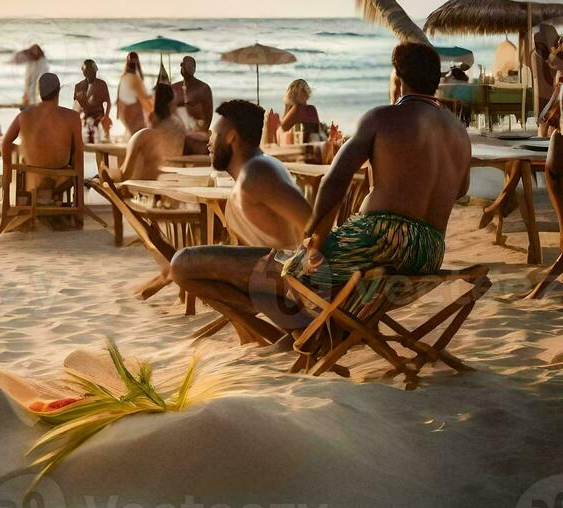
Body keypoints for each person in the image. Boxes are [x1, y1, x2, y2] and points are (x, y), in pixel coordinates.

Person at [173, 44, 470, 338]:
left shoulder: (381, 118)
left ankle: (310, 333)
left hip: (378, 245)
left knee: (201, 265)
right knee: (276, 273)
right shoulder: (458, 131)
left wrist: (314, 238)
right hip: (430, 251)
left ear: (397, 76)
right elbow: (461, 190)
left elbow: (336, 180)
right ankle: (313, 329)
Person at [164, 100, 314, 342]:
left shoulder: (258, 172)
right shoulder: (257, 169)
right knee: (196, 265)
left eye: (213, 134)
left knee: (183, 263)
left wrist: (309, 270)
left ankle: (293, 328)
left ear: (232, 137)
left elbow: (311, 222)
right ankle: (286, 331)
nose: (208, 142)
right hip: (277, 276)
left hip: (290, 272)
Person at [3, 72, 82, 202]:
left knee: (20, 152)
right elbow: (79, 151)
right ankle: (52, 194)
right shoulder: (72, 117)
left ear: (39, 92)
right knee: (75, 166)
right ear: (58, 91)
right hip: (60, 169)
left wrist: (7, 171)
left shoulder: (24, 115)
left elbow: (5, 143)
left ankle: (41, 195)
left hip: (32, 168)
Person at [115, 83, 185, 182]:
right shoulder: (179, 130)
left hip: (141, 192)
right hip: (169, 186)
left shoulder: (142, 136)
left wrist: (101, 176)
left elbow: (124, 176)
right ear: (172, 105)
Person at [172, 56, 213, 153]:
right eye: (182, 64)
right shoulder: (174, 88)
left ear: (194, 68)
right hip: (179, 133)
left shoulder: (203, 88)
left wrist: (196, 134)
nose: (184, 67)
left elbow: (208, 118)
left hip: (198, 133)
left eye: (188, 64)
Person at [73, 59, 112, 143]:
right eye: (89, 73)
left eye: (94, 72)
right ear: (84, 73)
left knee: (102, 130)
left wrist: (106, 116)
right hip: (85, 115)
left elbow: (108, 102)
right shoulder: (78, 86)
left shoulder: (101, 84)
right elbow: (76, 107)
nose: (93, 75)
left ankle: (104, 139)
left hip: (99, 115)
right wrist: (76, 119)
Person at [116, 52, 152, 137]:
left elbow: (118, 96)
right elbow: (144, 97)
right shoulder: (135, 78)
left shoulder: (123, 77)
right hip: (132, 110)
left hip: (123, 110)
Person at [280, 79, 323, 146]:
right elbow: (318, 131)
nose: (305, 93)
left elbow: (283, 128)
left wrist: (287, 106)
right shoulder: (310, 109)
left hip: (302, 145)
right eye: (303, 90)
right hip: (314, 144)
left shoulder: (299, 109)